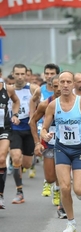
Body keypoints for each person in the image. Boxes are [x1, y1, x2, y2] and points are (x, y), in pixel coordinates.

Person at [41, 71, 81, 232]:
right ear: (58, 84)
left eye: (68, 82)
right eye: (62, 82)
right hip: (62, 148)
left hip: (79, 149)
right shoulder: (53, 105)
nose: (65, 85)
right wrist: (45, 135)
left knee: (79, 191)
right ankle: (71, 222)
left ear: (73, 84)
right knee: (65, 187)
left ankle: (77, 189)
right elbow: (44, 128)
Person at [29, 75, 65, 216]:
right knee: (50, 178)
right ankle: (55, 188)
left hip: (68, 144)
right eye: (55, 86)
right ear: (51, 87)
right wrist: (37, 142)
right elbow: (32, 122)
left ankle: (62, 206)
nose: (58, 89)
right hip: (49, 143)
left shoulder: (76, 102)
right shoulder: (46, 103)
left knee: (64, 177)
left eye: (60, 85)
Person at [9, 64, 39, 204]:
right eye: (17, 74)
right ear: (13, 74)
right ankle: (19, 191)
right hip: (14, 129)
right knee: (16, 157)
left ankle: (20, 166)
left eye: (22, 74)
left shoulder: (31, 88)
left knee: (26, 164)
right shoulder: (8, 90)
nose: (20, 77)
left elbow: (40, 102)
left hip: (28, 129)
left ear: (26, 75)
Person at [0, 79, 20, 209]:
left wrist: (15, 114)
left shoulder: (8, 89)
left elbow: (16, 101)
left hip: (4, 129)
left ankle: (0, 195)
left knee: (1, 158)